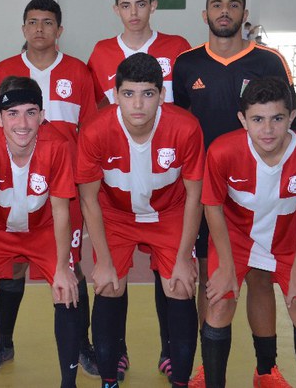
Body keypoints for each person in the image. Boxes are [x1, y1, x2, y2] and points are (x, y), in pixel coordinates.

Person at [172, 0, 296, 386]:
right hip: (208, 192)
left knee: (260, 276)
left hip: (261, 191)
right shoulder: (187, 64)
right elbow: (180, 124)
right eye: (217, 4)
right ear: (205, 13)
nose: (224, 11)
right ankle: (206, 368)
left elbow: (294, 126)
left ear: (244, 14)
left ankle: (266, 369)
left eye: (233, 4)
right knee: (211, 277)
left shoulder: (269, 61)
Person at [0, 0, 99, 377]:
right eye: (32, 22)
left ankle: (82, 345)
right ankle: (4, 342)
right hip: (15, 186)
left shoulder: (78, 72)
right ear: (23, 28)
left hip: (63, 187)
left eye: (47, 22)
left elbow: (90, 132)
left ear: (59, 30)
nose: (39, 29)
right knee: (12, 266)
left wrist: (84, 183)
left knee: (70, 265)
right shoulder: (5, 70)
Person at [77, 53, 204, 388]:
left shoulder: (185, 128)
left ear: (161, 95)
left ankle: (180, 380)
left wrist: (184, 258)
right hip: (116, 216)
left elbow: (195, 196)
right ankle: (109, 379)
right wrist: (103, 262)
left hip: (170, 213)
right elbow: (89, 199)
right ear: (115, 95)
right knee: (108, 284)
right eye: (129, 94)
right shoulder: (94, 131)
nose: (137, 104)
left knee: (180, 286)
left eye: (147, 93)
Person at [87, 0, 191, 380]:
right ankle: (116, 356)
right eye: (126, 5)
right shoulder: (101, 53)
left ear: (153, 5)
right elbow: (97, 108)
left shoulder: (177, 48)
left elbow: (187, 105)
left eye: (141, 3)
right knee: (112, 279)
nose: (134, 12)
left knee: (175, 279)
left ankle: (172, 353)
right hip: (122, 189)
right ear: (116, 9)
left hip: (167, 180)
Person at [199, 77, 296, 387]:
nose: (268, 129)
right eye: (257, 119)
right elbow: (212, 206)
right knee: (220, 302)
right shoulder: (222, 151)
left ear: (292, 117)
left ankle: (266, 372)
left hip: (287, 242)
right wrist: (225, 267)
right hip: (235, 239)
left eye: (277, 118)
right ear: (243, 119)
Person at [0, 76, 80, 388]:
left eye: (31, 112)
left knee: (67, 289)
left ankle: (69, 382)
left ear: (42, 115)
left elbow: (61, 210)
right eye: (12, 113)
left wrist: (63, 267)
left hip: (42, 230)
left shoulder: (57, 146)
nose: (23, 123)